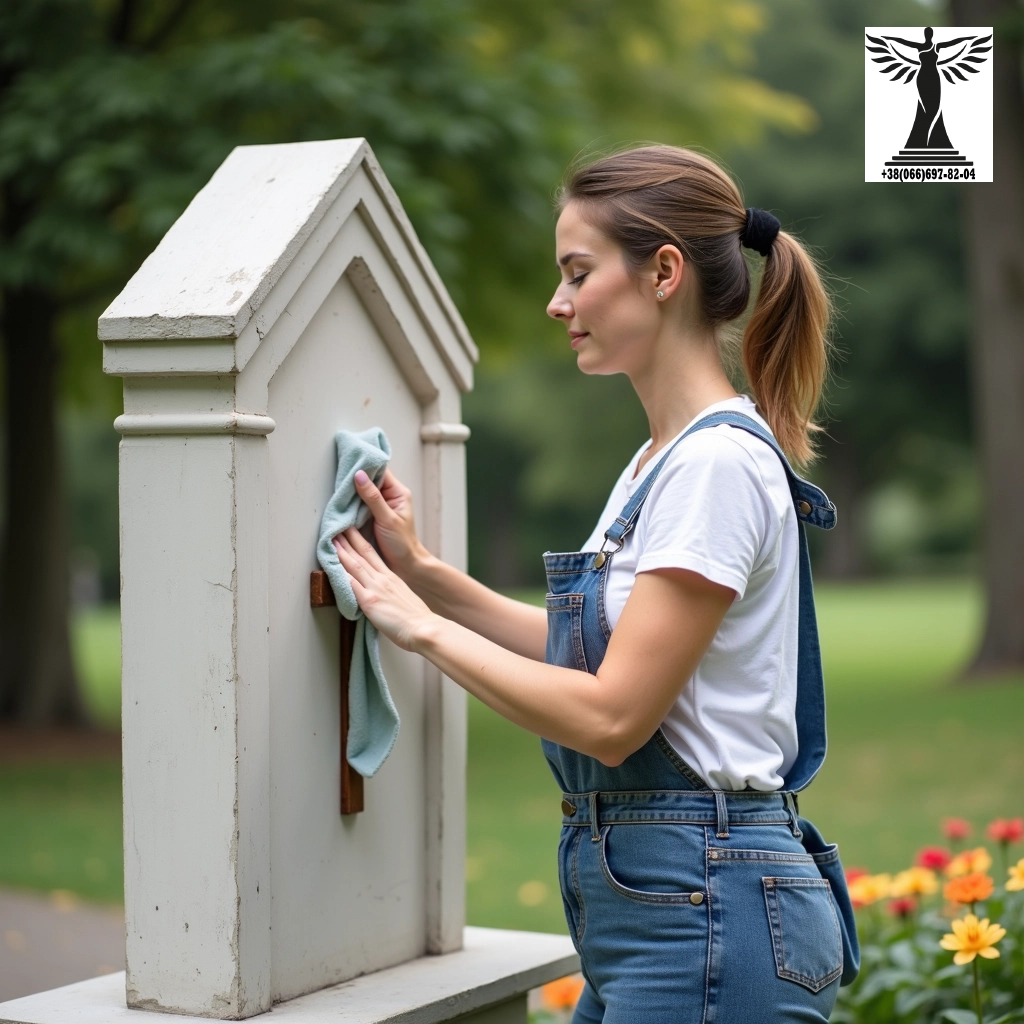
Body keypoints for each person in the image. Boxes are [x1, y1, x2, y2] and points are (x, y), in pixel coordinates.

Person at [334, 143, 858, 1023]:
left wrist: (418, 629)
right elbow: (584, 650)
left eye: (578, 273)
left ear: (663, 272)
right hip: (663, 908)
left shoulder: (715, 468)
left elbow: (614, 717)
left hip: (705, 916)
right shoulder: (660, 460)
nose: (558, 302)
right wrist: (422, 576)